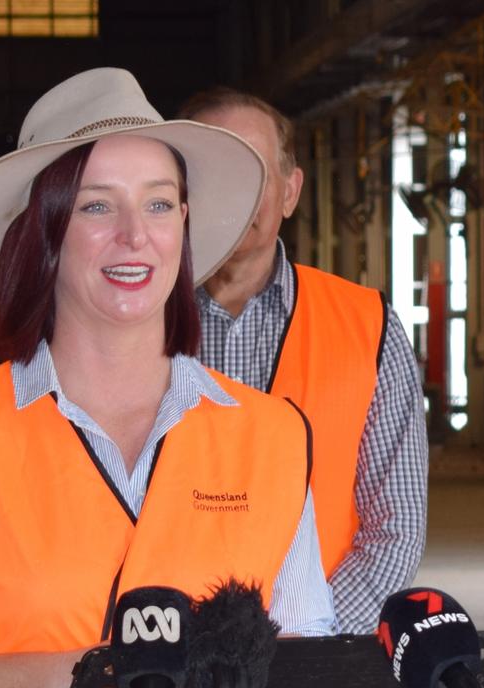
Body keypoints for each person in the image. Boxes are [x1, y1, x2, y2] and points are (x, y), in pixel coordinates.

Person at [0, 67, 336, 688]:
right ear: (44, 233)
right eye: (97, 205)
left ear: (183, 223)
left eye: (157, 203)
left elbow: (313, 660)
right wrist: (97, 673)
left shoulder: (273, 438)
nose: (134, 235)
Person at [178, 88, 427, 634]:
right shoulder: (127, 325)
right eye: (215, 171)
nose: (236, 192)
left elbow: (396, 528)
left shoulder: (369, 329)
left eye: (255, 172)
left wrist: (306, 645)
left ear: (290, 192)